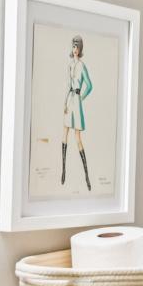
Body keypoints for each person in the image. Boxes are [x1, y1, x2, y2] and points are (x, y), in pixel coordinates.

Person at [61, 34, 93, 190]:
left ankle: (87, 175)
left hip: (77, 102)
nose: (75, 49)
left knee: (78, 137)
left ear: (80, 49)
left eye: (77, 47)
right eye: (73, 46)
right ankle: (63, 170)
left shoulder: (82, 66)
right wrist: (64, 103)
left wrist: (82, 97)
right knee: (65, 133)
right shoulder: (69, 65)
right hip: (69, 101)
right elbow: (68, 86)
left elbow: (90, 86)